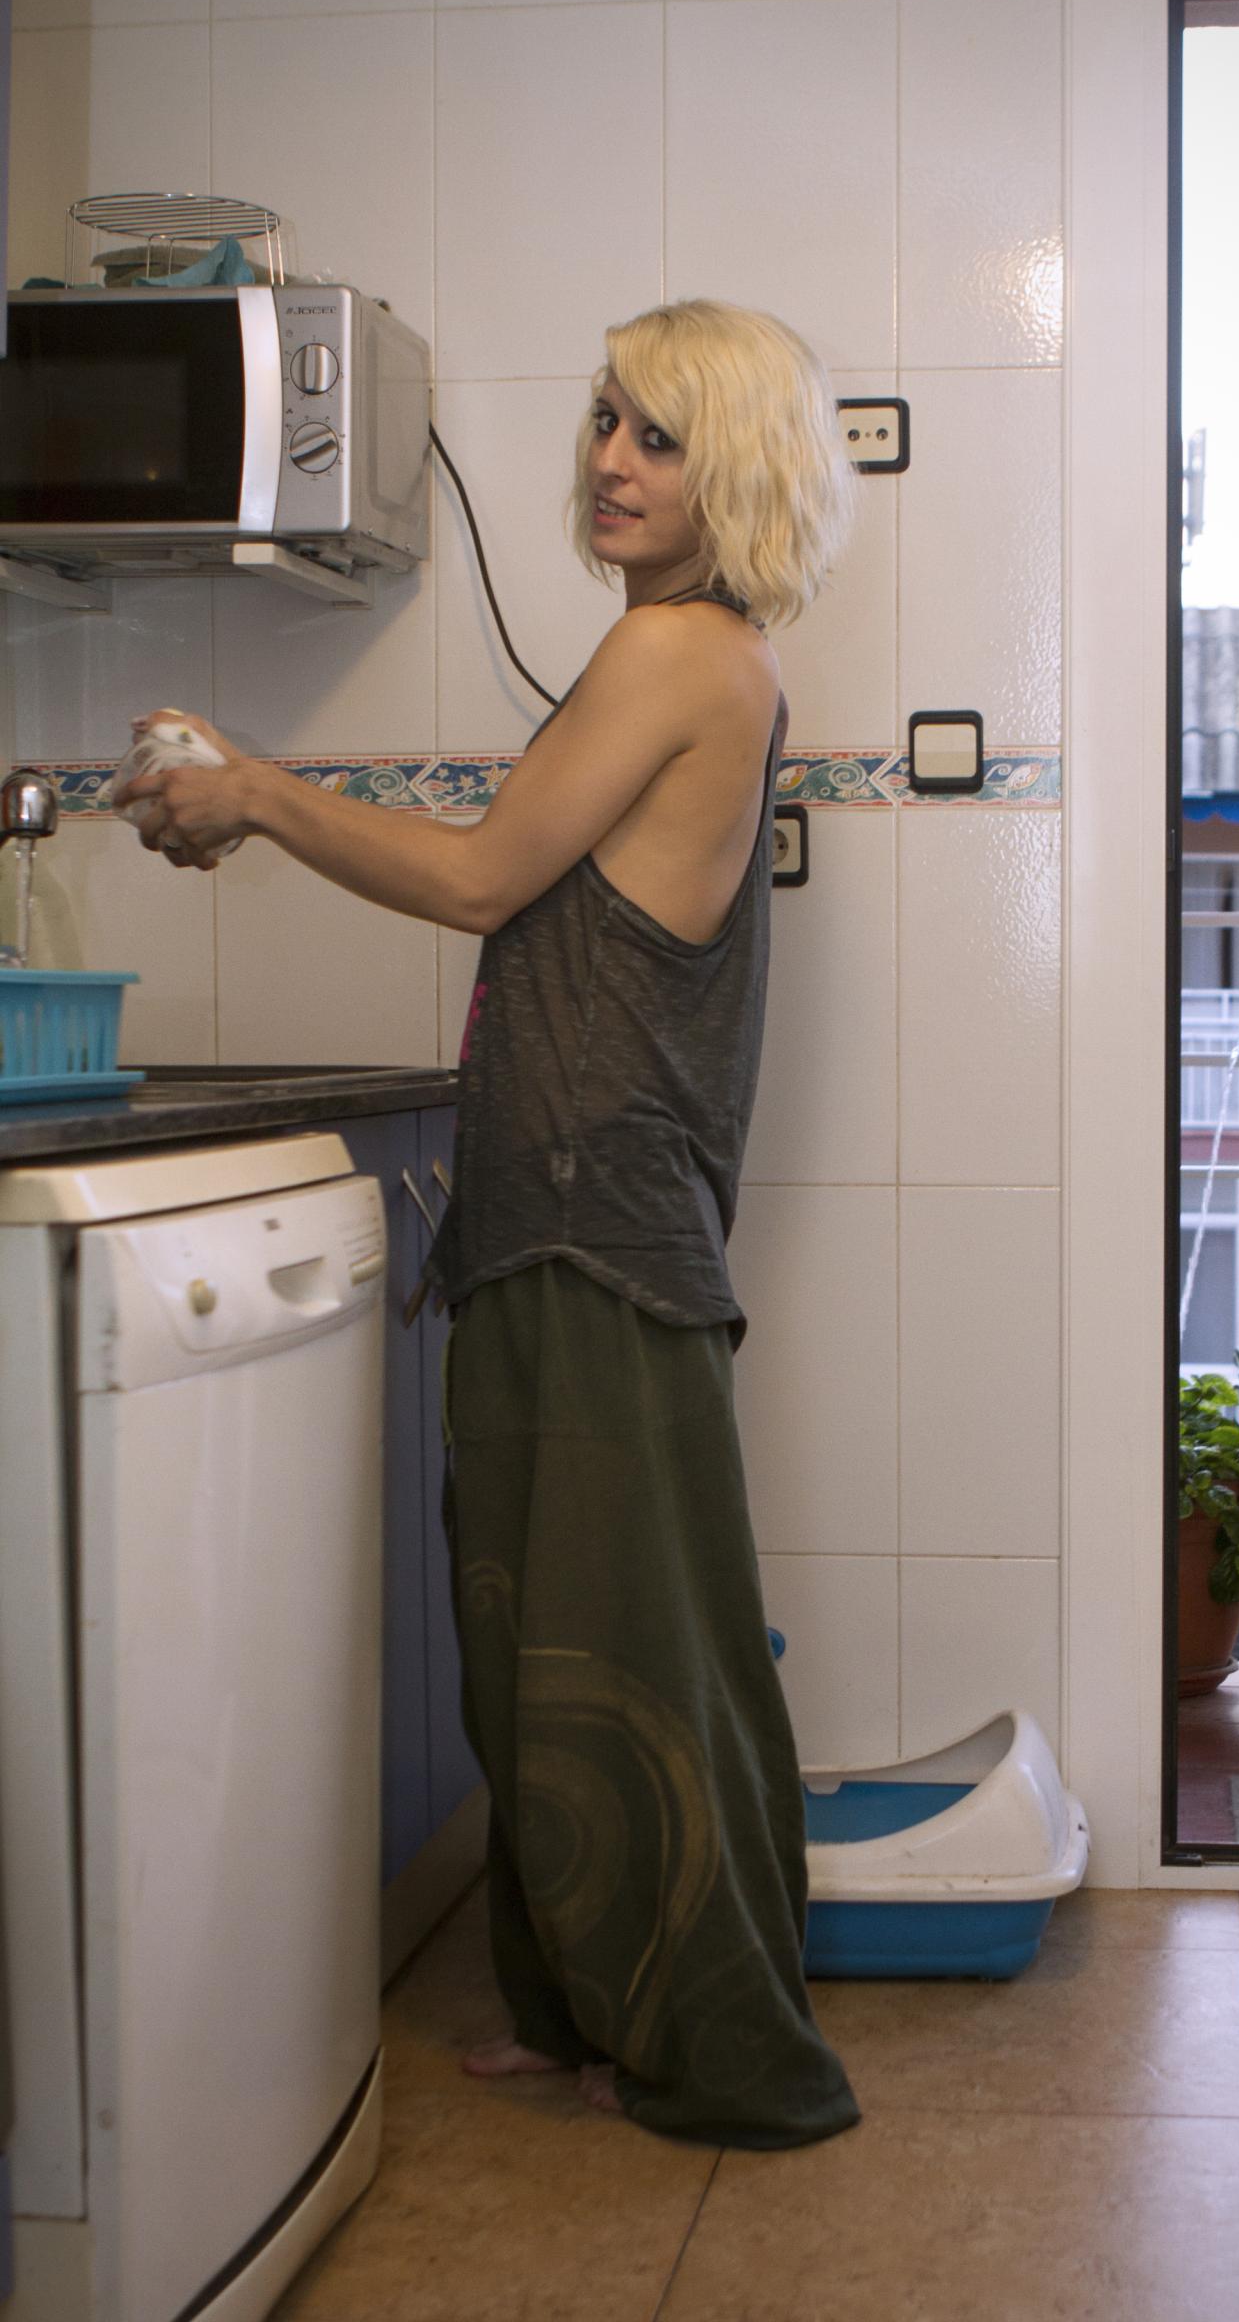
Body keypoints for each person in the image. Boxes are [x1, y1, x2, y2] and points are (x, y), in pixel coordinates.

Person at [117, 298, 861, 2149]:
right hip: (566, 1216)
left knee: (624, 1650)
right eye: (605, 421)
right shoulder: (681, 653)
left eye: (659, 435)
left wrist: (260, 791)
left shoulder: (683, 649)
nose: (608, 460)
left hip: (597, 1227)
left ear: (735, 467)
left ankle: (722, 2054)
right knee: (546, 1634)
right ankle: (582, 2002)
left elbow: (472, 879)